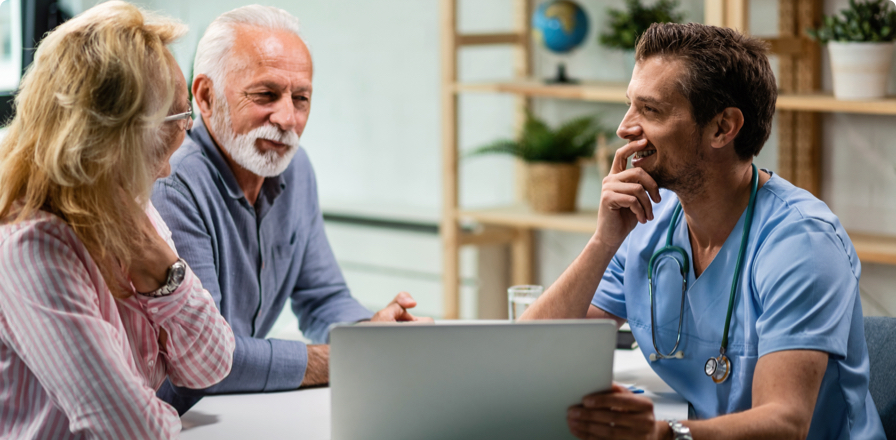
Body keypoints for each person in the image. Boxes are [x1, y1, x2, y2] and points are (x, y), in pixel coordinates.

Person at [521, 23, 885, 440]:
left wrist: (664, 434)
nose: (624, 128)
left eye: (650, 110)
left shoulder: (803, 244)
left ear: (722, 128)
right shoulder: (649, 222)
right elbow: (532, 349)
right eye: (629, 105)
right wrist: (603, 242)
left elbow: (786, 422)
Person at [151, 5, 428, 413]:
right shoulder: (172, 183)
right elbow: (207, 360)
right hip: (173, 420)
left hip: (241, 414)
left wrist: (374, 335)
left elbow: (322, 297)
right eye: (266, 95)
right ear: (205, 97)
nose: (288, 119)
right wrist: (344, 361)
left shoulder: (294, 167)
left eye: (301, 99)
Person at [0, 2, 235, 438]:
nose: (185, 138)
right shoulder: (31, 246)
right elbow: (132, 429)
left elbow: (212, 365)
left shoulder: (129, 205)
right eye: (180, 119)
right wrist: (160, 415)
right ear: (118, 135)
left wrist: (161, 270)